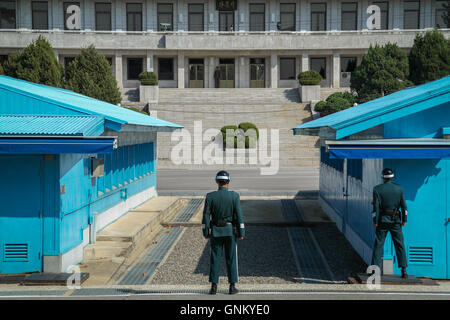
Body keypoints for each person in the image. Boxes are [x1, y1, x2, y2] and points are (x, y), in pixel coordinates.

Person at [202, 170, 245, 295]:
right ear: (228, 182)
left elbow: (206, 216)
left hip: (215, 231)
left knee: (215, 258)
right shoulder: (234, 196)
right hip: (230, 231)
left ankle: (213, 287)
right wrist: (241, 231)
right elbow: (239, 215)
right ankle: (232, 286)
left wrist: (206, 231)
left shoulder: (210, 197)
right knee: (231, 258)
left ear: (217, 181)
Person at [371, 168, 408, 278]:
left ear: (382, 177)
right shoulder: (399, 189)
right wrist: (404, 219)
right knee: (399, 244)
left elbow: (375, 207)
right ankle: (404, 270)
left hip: (382, 220)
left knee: (379, 244)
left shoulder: (377, 189)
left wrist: (375, 221)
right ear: (392, 177)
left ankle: (375, 271)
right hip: (396, 220)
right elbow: (404, 206)